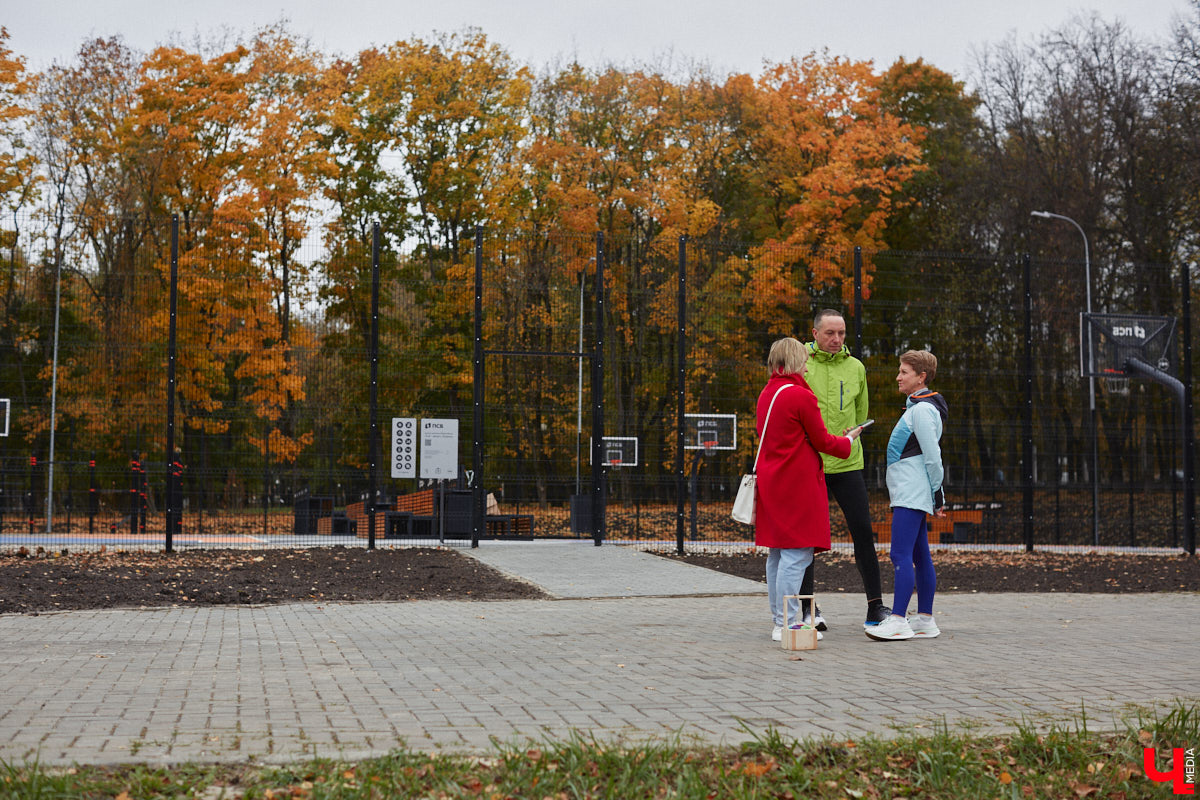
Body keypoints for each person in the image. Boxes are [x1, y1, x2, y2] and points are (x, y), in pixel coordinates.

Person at [754, 338, 864, 643]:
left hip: (772, 479)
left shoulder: (767, 394)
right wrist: (849, 440)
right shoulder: (801, 396)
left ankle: (779, 621)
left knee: (777, 553)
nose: (806, 364)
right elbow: (822, 441)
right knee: (797, 553)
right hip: (797, 482)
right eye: (803, 359)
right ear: (793, 362)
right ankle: (791, 623)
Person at [799, 309, 891, 630]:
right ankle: (808, 610)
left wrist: (846, 440)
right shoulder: (800, 365)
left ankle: (876, 608)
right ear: (814, 333)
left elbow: (860, 413)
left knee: (863, 533)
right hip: (810, 464)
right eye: (830, 333)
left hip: (848, 462)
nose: (837, 339)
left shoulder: (856, 368)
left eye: (841, 333)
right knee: (807, 539)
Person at [867, 350, 948, 641]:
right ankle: (924, 618)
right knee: (919, 554)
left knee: (899, 553)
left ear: (921, 377)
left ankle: (899, 619)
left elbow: (933, 456)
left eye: (904, 372)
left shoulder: (924, 410)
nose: (898, 376)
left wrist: (938, 495)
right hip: (909, 491)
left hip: (911, 493)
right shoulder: (916, 407)